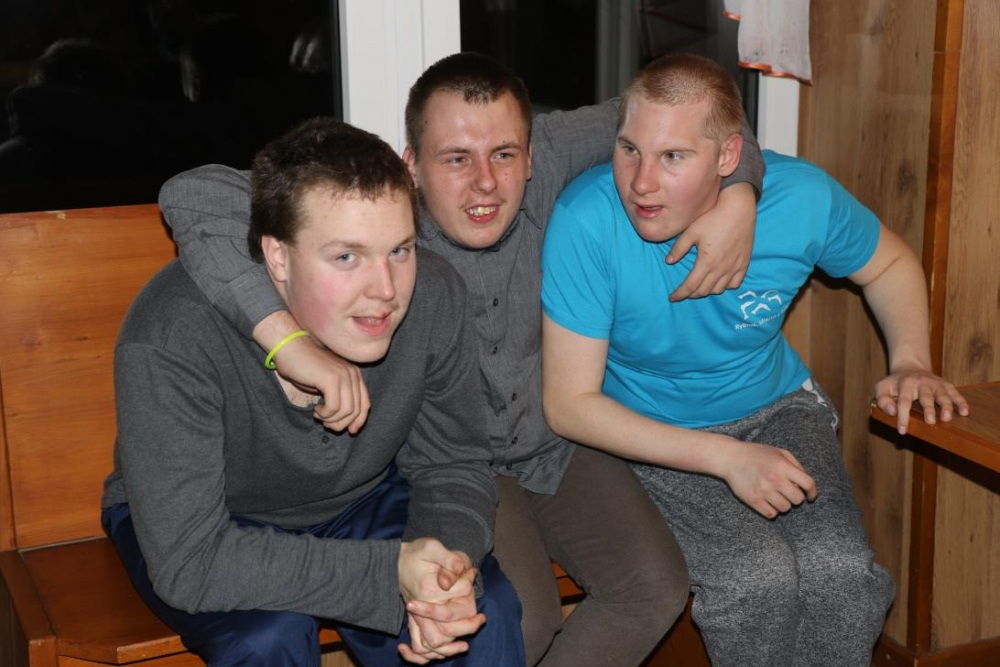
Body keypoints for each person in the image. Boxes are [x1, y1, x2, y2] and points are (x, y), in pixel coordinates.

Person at [158, 52, 765, 666]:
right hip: (455, 462)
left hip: (557, 439)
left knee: (654, 587)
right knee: (519, 617)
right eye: (455, 159)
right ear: (412, 166)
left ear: (531, 157)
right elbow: (194, 194)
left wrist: (740, 194)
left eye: (504, 154)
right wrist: (286, 341)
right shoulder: (381, 219)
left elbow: (702, 114)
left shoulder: (548, 155)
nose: (485, 182)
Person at [539, 53, 970, 667]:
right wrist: (727, 457)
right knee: (754, 580)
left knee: (844, 574)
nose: (641, 182)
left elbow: (891, 264)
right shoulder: (586, 219)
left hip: (779, 408)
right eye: (630, 149)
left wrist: (911, 360)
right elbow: (569, 404)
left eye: (673, 156)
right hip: (652, 432)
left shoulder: (802, 199)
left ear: (728, 158)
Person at [102, 117, 525, 667]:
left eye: (400, 250)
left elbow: (453, 464)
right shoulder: (173, 333)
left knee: (480, 613)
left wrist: (442, 575)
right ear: (278, 257)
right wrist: (387, 572)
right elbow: (191, 562)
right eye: (347, 257)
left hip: (360, 496)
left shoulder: (435, 294)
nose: (386, 289)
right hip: (209, 521)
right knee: (266, 638)